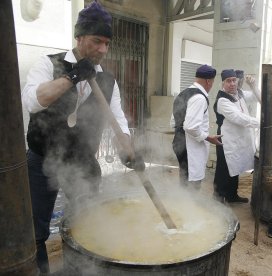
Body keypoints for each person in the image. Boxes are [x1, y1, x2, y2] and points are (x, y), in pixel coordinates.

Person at [21, 1, 142, 273]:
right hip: (41, 160)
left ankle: (79, 270)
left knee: (85, 224)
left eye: (106, 43)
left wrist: (127, 146)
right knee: (36, 229)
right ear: (79, 37)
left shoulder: (107, 80)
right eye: (96, 41)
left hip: (83, 162)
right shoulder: (48, 64)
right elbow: (33, 101)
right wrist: (73, 76)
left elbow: (118, 117)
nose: (102, 49)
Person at [213, 69, 260, 203]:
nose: (232, 83)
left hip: (238, 139)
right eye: (229, 81)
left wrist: (254, 86)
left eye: (234, 80)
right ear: (223, 83)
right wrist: (261, 123)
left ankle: (232, 196)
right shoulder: (222, 100)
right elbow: (239, 118)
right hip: (225, 139)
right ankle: (218, 197)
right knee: (223, 169)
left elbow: (257, 97)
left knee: (235, 167)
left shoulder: (240, 94)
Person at [171, 64, 222, 189]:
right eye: (213, 81)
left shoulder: (184, 92)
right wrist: (208, 137)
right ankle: (189, 206)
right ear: (208, 81)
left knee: (184, 178)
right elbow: (191, 127)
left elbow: (173, 121)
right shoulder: (199, 98)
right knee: (192, 181)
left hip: (179, 142)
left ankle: (183, 205)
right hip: (190, 146)